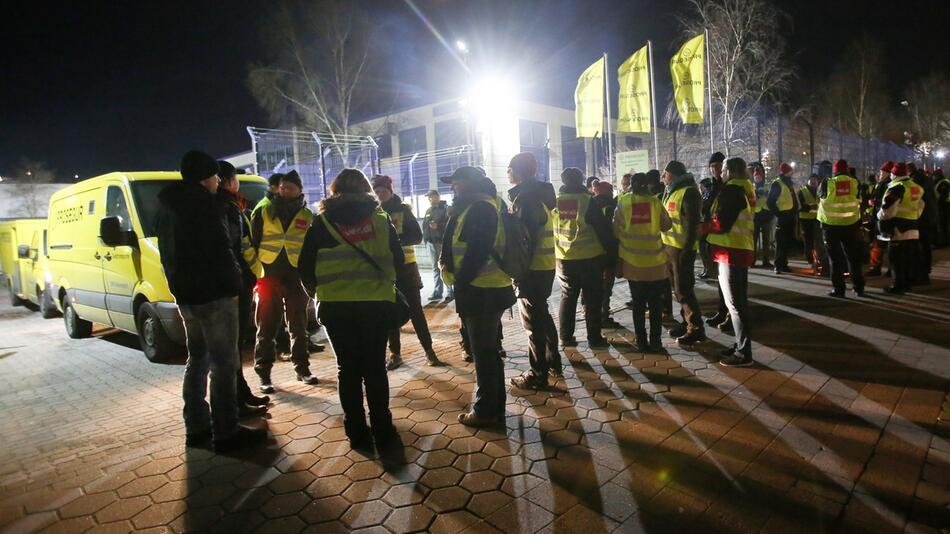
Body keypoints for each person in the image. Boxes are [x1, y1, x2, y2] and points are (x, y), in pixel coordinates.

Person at [155, 150, 266, 451]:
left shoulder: (167, 206)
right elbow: (221, 250)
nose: (219, 181)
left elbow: (166, 253)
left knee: (198, 359)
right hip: (215, 295)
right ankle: (227, 432)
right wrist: (234, 284)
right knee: (224, 362)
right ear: (206, 177)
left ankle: (196, 426)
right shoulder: (204, 206)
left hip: (187, 296)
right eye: (216, 176)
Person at [299, 169, 403, 450]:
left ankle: (356, 431)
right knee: (374, 368)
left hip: (336, 308)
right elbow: (399, 259)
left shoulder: (321, 223)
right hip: (376, 306)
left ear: (334, 191)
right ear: (366, 189)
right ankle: (382, 427)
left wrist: (317, 294)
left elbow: (305, 267)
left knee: (347, 369)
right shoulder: (381, 220)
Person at [440, 167, 515, 426]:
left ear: (469, 185)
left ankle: (485, 411)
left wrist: (460, 282)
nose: (453, 189)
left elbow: (476, 252)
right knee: (488, 351)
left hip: (483, 290)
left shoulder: (480, 208)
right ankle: (494, 406)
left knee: (483, 353)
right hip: (483, 289)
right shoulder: (472, 207)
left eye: (456, 184)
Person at [250, 170, 319, 392]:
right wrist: (255, 271)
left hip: (295, 276)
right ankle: (264, 374)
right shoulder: (264, 210)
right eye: (282, 187)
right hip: (269, 274)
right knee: (267, 325)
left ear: (300, 190)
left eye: (290, 187)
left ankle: (302, 369)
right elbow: (252, 241)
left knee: (298, 325)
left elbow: (311, 247)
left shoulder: (308, 215)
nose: (285, 190)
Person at [372, 175, 442, 369]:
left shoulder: (402, 210)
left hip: (406, 269)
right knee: (390, 313)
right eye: (376, 192)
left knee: (416, 312)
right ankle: (395, 354)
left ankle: (429, 351)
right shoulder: (373, 213)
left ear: (390, 191)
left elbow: (417, 236)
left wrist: (395, 242)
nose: (380, 195)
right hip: (385, 270)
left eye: (383, 191)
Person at [216, 161, 269, 418]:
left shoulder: (225, 206)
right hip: (236, 284)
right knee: (232, 344)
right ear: (227, 181)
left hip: (230, 283)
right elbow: (240, 247)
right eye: (234, 178)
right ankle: (236, 401)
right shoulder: (228, 208)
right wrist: (256, 272)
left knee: (232, 345)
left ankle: (241, 392)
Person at [505, 153, 560, 390]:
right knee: (542, 314)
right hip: (545, 265)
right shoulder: (540, 196)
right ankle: (552, 361)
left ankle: (538, 374)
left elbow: (522, 242)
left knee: (532, 323)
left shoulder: (525, 200)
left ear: (517, 172)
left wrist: (518, 271)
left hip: (531, 269)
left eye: (509, 168)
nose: (507, 172)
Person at [702, 157, 755, 367]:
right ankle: (741, 345)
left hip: (730, 252)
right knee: (739, 302)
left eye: (723, 169)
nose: (721, 173)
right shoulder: (745, 187)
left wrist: (703, 228)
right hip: (739, 249)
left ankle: (744, 353)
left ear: (730, 171)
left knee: (735, 304)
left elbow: (721, 223)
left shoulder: (732, 190)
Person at [555, 167, 613, 349]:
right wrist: (610, 257)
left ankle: (565, 337)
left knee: (567, 296)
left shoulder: (555, 203)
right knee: (592, 298)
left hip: (564, 258)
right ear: (580, 181)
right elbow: (603, 229)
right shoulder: (587, 201)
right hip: (590, 259)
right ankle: (594, 338)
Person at [615, 173, 671, 352]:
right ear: (646, 185)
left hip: (632, 263)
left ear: (631, 185)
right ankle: (656, 341)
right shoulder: (655, 202)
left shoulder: (623, 202)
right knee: (655, 304)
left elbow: (615, 229)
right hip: (655, 262)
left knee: (638, 304)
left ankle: (641, 340)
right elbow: (667, 225)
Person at [660, 161, 706, 345]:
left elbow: (694, 223)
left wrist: (687, 249)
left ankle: (695, 328)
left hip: (681, 249)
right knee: (677, 289)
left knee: (683, 288)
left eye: (666, 173)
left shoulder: (689, 192)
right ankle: (686, 321)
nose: (663, 177)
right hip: (670, 248)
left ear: (674, 174)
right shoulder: (672, 191)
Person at [817, 159, 865, 297]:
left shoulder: (827, 183)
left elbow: (819, 196)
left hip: (830, 227)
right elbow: (860, 200)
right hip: (851, 225)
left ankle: (839, 289)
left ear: (835, 170)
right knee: (853, 258)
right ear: (847, 170)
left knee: (836, 260)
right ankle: (858, 287)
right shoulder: (856, 183)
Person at [877, 162, 924, 294]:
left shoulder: (896, 188)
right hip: (913, 228)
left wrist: (879, 216)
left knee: (896, 260)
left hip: (898, 229)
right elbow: (921, 205)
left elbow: (888, 210)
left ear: (894, 174)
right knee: (909, 258)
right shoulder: (916, 187)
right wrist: (913, 217)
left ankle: (898, 286)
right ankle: (907, 284)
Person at [593, 180, 621, 328]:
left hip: (592, 252)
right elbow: (615, 231)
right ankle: (603, 315)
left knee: (593, 286)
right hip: (608, 253)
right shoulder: (611, 207)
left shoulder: (589, 205)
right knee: (606, 286)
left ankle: (592, 314)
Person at [909, 163, 938, 285]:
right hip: (929, 217)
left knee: (920, 247)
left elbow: (916, 200)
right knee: (925, 246)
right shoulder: (925, 178)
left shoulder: (916, 181)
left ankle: (922, 275)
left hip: (921, 218)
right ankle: (925, 273)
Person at [768, 163, 799, 273]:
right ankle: (778, 265)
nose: (792, 172)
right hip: (783, 217)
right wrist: (779, 214)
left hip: (791, 216)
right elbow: (770, 202)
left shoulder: (789, 183)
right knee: (780, 242)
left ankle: (784, 264)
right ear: (786, 172)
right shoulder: (777, 184)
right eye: (790, 171)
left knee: (787, 242)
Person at [699, 152, 726, 279]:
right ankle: (708, 269)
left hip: (719, 223)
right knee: (704, 247)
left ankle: (714, 271)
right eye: (711, 166)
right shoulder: (711, 185)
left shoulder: (726, 184)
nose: (714, 169)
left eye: (717, 165)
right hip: (708, 222)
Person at [866, 161, 894, 276]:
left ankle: (876, 268)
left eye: (882, 171)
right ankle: (890, 269)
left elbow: (884, 201)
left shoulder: (884, 184)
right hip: (887, 218)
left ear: (887, 172)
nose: (880, 173)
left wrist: (874, 202)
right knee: (887, 245)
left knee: (878, 245)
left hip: (880, 218)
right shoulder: (890, 183)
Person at [422, 190, 451, 300]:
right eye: (429, 197)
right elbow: (425, 226)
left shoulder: (445, 209)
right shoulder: (428, 210)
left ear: (438, 197)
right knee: (435, 268)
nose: (430, 199)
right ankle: (437, 291)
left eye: (432, 197)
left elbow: (450, 225)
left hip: (441, 242)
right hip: (431, 243)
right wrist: (426, 240)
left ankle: (450, 291)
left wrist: (438, 226)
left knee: (444, 266)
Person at [751, 163, 774, 269]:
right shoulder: (751, 186)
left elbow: (772, 199)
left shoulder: (767, 186)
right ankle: (752, 260)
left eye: (759, 175)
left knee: (766, 240)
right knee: (753, 240)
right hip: (755, 216)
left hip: (766, 215)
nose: (758, 177)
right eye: (756, 176)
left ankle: (766, 260)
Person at [798, 173, 820, 271]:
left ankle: (817, 259)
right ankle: (810, 260)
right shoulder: (802, 191)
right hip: (806, 219)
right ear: (808, 181)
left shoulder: (820, 190)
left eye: (815, 180)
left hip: (817, 218)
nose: (813, 181)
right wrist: (810, 208)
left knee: (818, 241)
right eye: (812, 180)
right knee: (808, 241)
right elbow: (799, 206)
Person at [934, 169, 949, 248]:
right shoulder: (943, 182)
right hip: (944, 206)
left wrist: (938, 203)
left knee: (944, 225)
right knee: (944, 225)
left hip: (945, 206)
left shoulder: (944, 183)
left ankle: (945, 242)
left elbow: (944, 195)